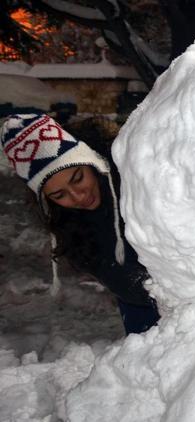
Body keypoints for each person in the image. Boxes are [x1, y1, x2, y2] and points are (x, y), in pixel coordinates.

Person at [1, 113, 159, 335]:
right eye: (59, 194)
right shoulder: (70, 225)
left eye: (77, 178)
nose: (77, 196)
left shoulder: (142, 184)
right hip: (139, 310)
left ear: (91, 162)